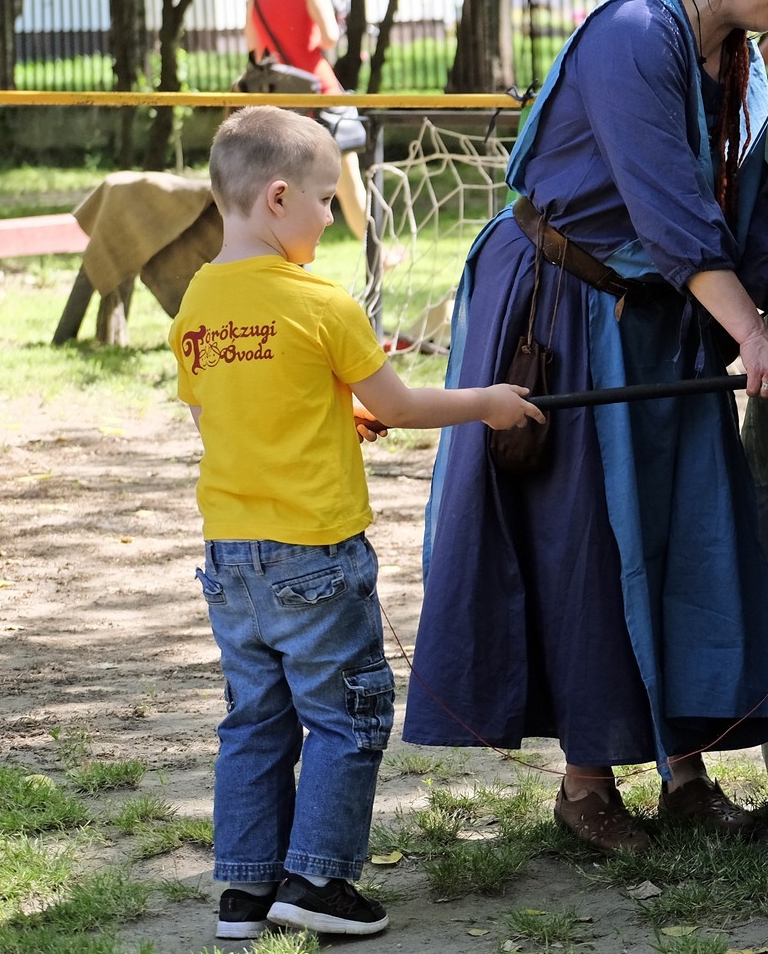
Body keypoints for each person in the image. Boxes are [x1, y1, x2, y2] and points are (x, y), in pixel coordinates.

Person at [402, 0, 768, 852]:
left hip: (664, 312)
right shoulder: (635, 32)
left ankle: (686, 773)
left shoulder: (735, 60)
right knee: (587, 540)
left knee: (683, 526)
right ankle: (586, 784)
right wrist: (751, 330)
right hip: (561, 306)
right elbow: (667, 210)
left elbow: (734, 205)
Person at [171, 107, 541, 940]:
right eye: (325, 199)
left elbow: (223, 415)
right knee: (346, 716)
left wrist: (332, 413)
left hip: (230, 559)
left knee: (255, 720)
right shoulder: (320, 302)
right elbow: (400, 405)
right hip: (316, 555)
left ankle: (245, 892)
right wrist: (488, 403)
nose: (333, 217)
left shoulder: (197, 302)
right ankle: (317, 881)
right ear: (277, 198)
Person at [245, 0, 369, 241]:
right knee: (348, 183)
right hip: (320, 93)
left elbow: (255, 52)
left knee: (287, 190)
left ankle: (291, 257)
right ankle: (376, 255)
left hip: (283, 102)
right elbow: (330, 37)